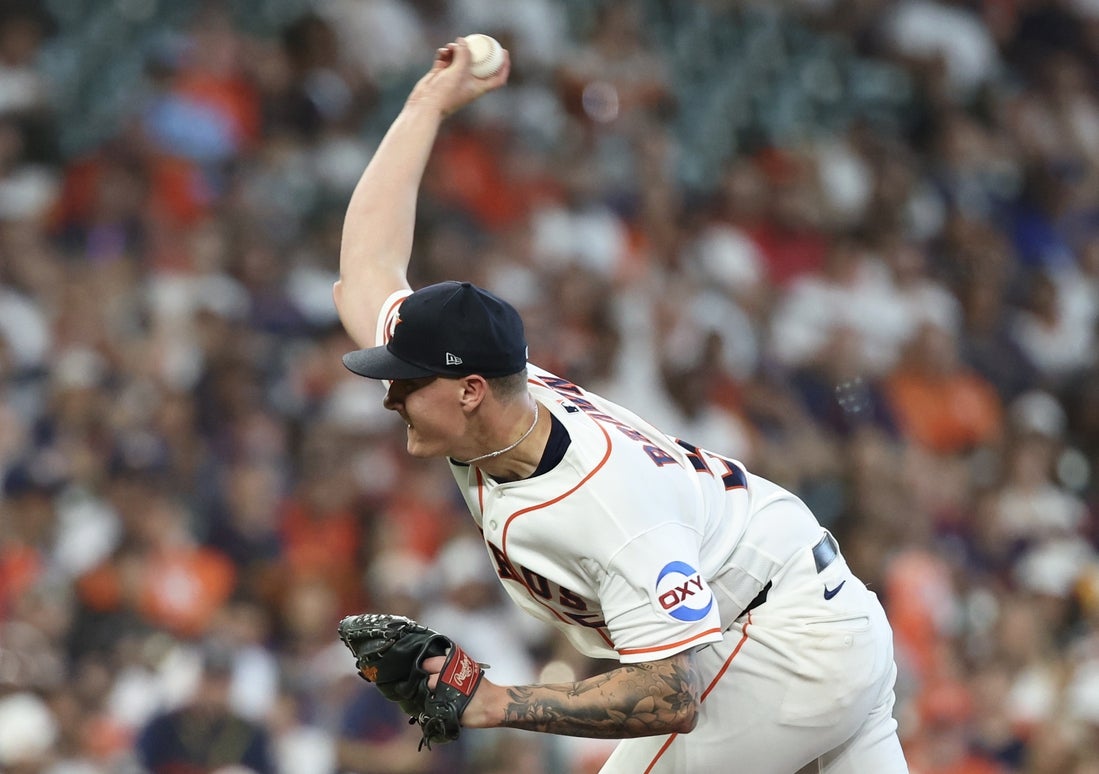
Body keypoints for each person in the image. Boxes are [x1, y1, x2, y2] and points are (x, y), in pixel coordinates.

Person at [333, 37, 910, 773]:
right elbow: (367, 270)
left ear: (471, 391)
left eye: (406, 383)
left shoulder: (605, 504)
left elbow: (672, 695)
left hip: (780, 641)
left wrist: (493, 701)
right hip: (812, 613)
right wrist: (427, 103)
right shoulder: (499, 394)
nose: (389, 397)